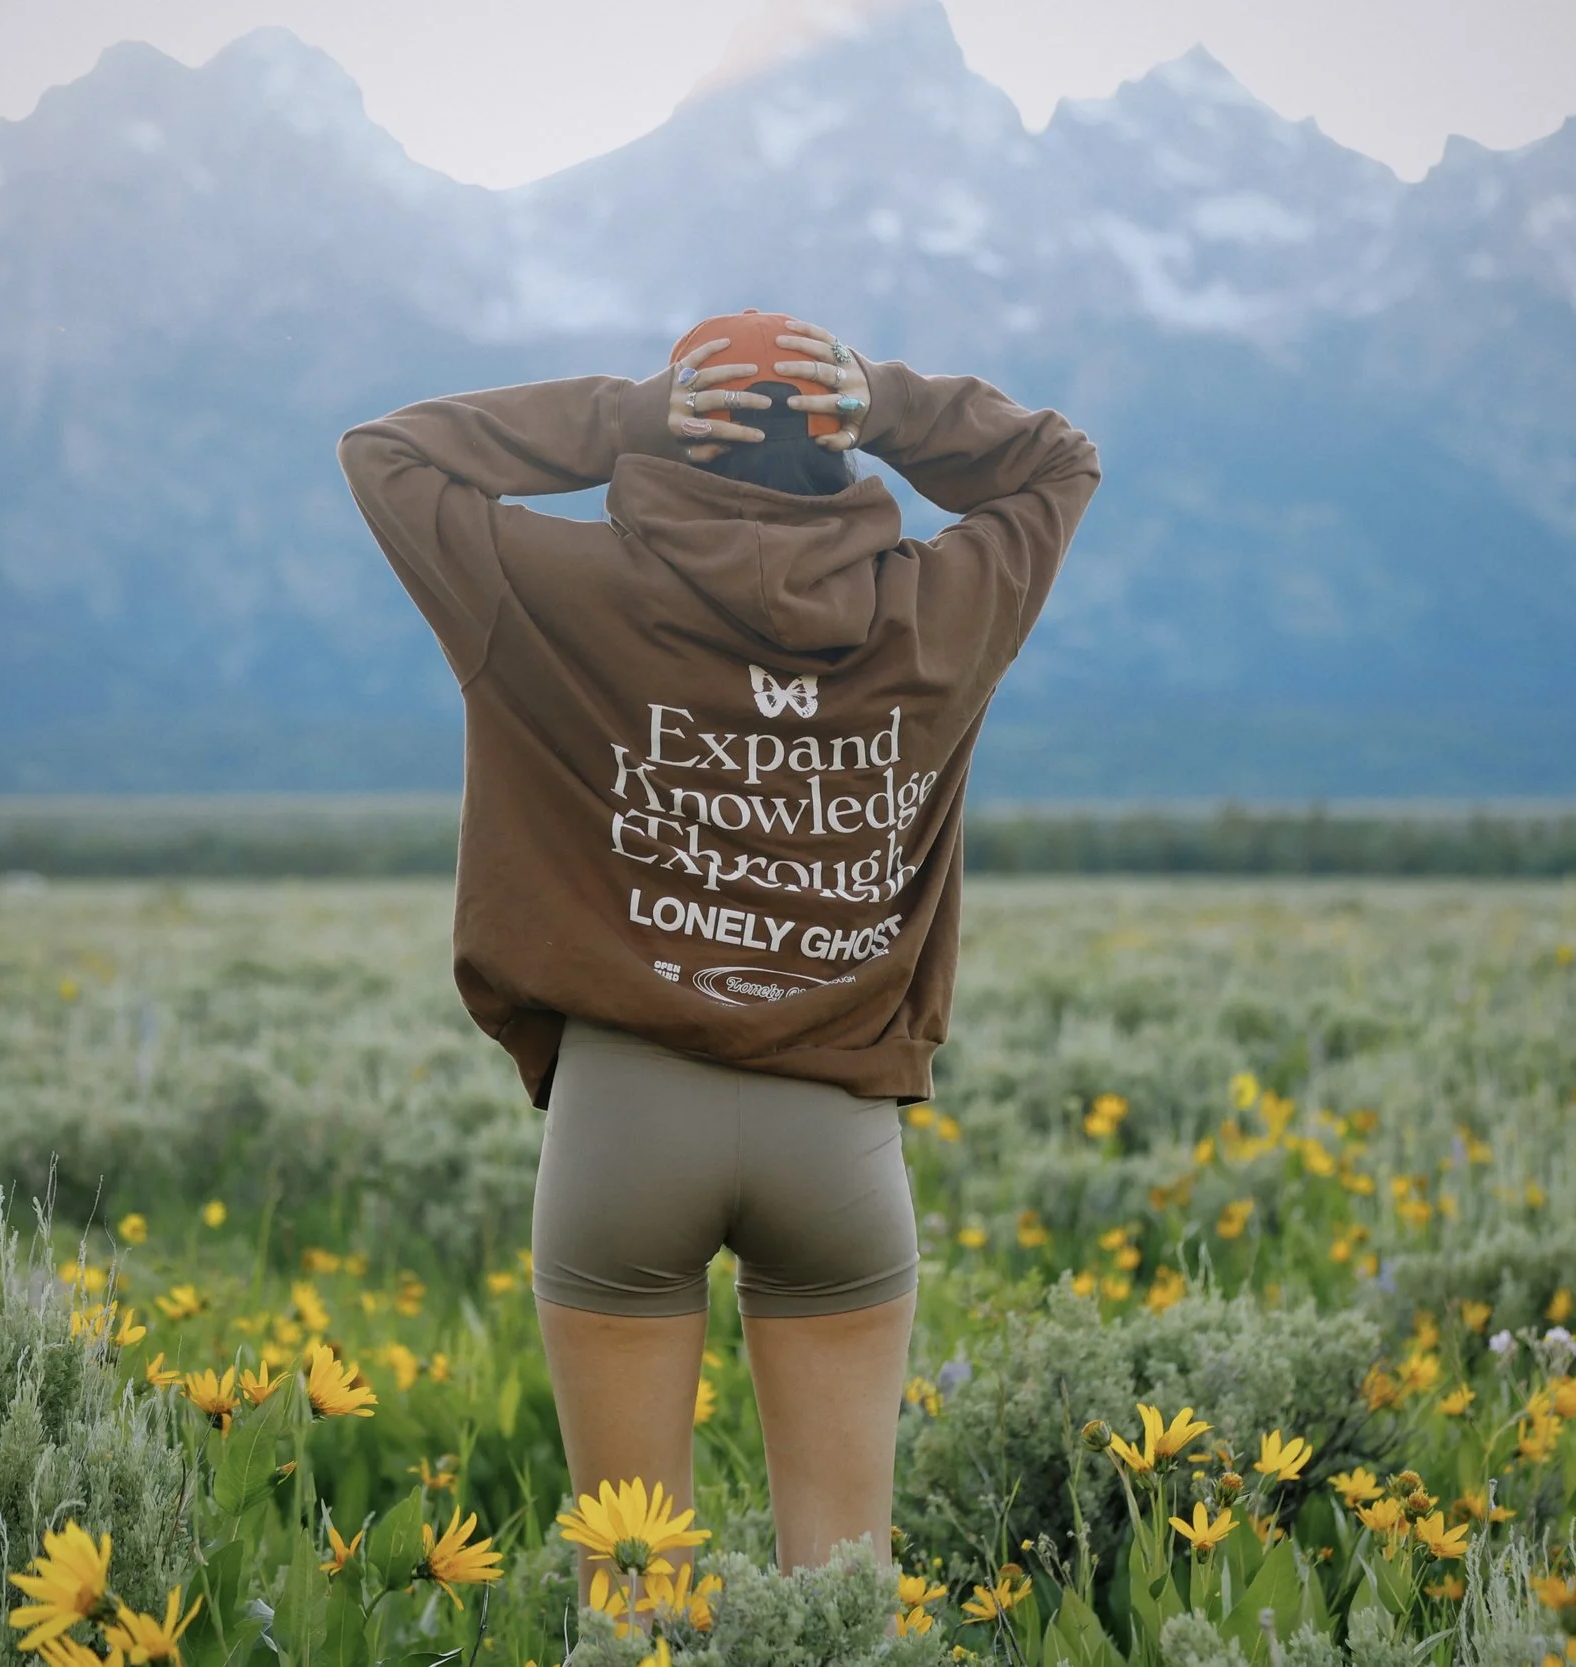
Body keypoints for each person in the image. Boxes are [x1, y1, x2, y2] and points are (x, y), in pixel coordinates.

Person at [339, 310, 1097, 1586]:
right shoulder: (936, 609)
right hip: (838, 1135)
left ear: (679, 449)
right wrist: (900, 405)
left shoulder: (561, 590)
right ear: (839, 453)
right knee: (840, 1591)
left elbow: (389, 455)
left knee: (631, 1588)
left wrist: (621, 415)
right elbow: (1056, 464)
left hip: (623, 1116)